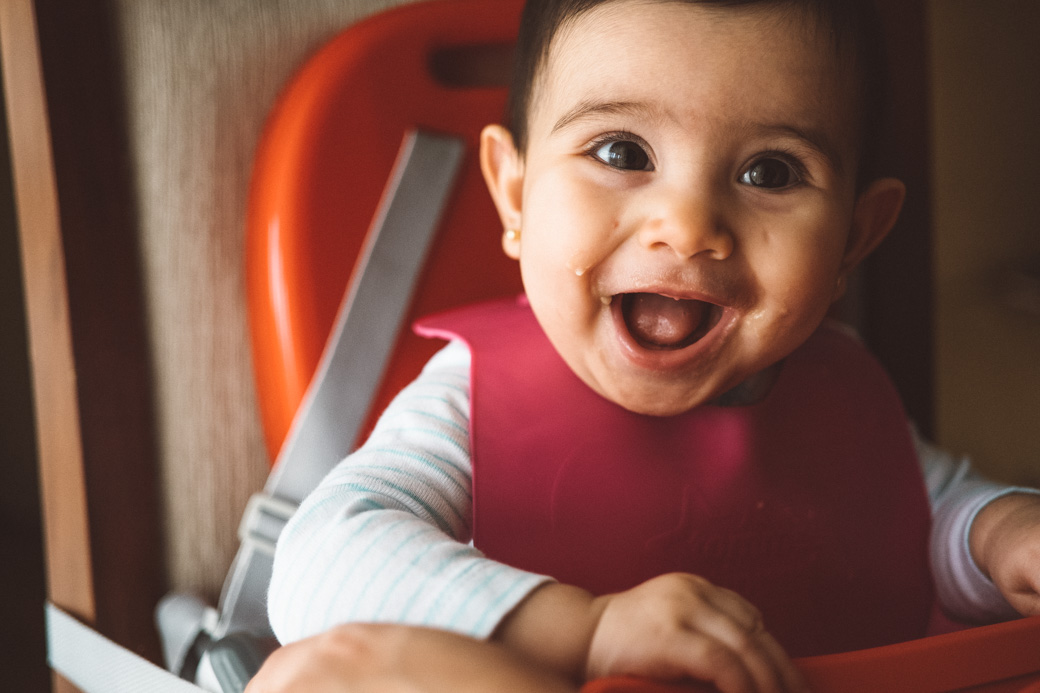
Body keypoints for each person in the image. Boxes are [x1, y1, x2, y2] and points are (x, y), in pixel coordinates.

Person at [250, 1, 1040, 691]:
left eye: (770, 171)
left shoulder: (841, 395)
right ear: (517, 195)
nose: (690, 223)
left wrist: (1002, 533)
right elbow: (323, 561)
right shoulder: (476, 400)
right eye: (622, 153)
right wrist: (583, 631)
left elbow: (924, 522)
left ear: (854, 241)